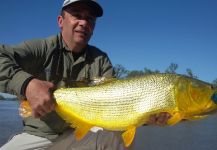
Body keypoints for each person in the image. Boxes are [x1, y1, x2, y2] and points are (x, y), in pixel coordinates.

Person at [0, 0, 171, 149]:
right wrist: (27, 84)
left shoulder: (101, 60)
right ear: (61, 21)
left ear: (93, 27)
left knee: (114, 136)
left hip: (79, 136)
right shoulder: (42, 48)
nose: (84, 22)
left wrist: (145, 117)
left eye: (90, 19)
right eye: (77, 15)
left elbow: (117, 109)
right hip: (36, 137)